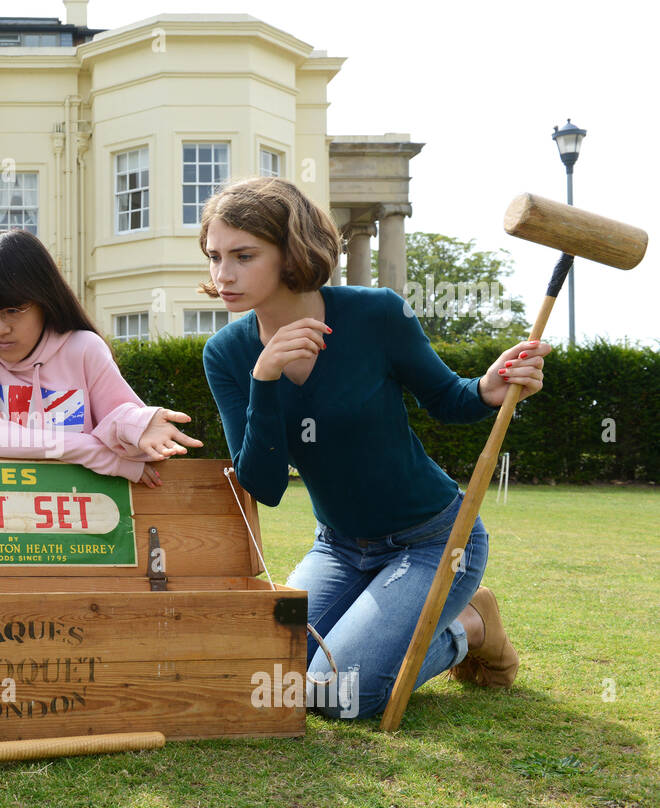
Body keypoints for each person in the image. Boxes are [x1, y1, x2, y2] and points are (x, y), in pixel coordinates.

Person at [199, 177, 549, 719]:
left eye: (244, 256)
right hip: (337, 548)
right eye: (215, 256)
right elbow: (263, 486)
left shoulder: (375, 314)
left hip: (433, 540)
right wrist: (263, 381)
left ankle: (469, 627)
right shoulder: (227, 353)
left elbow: (448, 399)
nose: (223, 275)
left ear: (291, 251)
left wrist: (488, 387)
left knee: (336, 695)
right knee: (265, 674)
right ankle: (419, 621)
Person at [0, 229, 201, 486]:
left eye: (13, 310)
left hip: (79, 515)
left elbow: (119, 424)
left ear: (45, 300)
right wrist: (93, 451)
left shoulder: (84, 349)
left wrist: (140, 424)